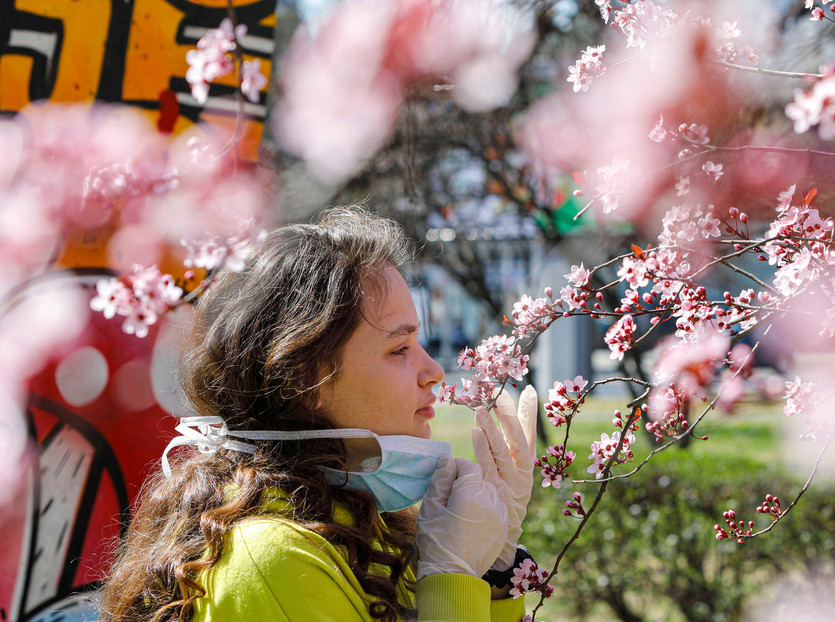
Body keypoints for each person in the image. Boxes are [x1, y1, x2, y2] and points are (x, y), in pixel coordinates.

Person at [102, 207, 539, 622]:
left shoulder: (362, 519)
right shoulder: (273, 557)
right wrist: (450, 577)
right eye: (399, 349)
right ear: (305, 378)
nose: (434, 372)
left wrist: (494, 572)